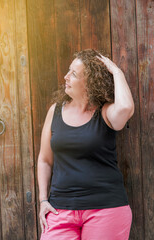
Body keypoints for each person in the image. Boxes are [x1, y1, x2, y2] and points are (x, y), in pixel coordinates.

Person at [37, 49, 134, 240]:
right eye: (68, 71)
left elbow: (125, 108)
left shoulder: (106, 113)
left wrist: (117, 72)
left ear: (90, 83)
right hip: (60, 211)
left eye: (73, 74)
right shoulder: (55, 111)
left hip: (106, 209)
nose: (65, 77)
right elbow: (44, 160)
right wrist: (42, 200)